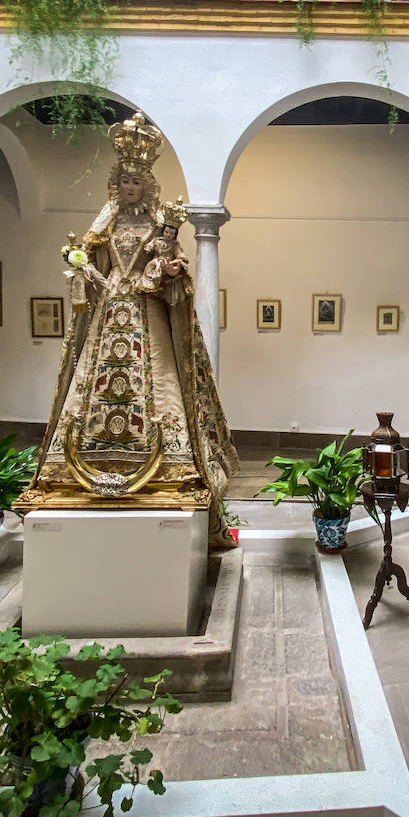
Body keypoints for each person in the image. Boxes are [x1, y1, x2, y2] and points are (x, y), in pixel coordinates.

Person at [29, 111, 240, 548]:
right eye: (124, 181)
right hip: (109, 315)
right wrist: (82, 265)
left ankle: (172, 463)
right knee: (91, 380)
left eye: (137, 181)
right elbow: (88, 258)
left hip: (147, 315)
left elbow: (169, 268)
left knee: (159, 382)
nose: (130, 187)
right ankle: (79, 462)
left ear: (148, 185)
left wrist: (168, 267)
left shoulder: (160, 222)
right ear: (116, 184)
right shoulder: (105, 224)